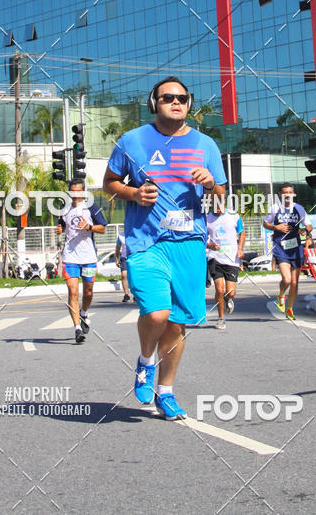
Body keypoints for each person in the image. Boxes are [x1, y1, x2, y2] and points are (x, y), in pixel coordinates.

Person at [103, 76, 226, 420]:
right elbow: (108, 184)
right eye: (168, 97)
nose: (176, 102)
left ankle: (166, 391)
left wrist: (212, 184)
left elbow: (221, 203)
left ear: (189, 103)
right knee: (157, 313)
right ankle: (145, 362)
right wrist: (134, 193)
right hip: (146, 242)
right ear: (153, 103)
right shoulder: (132, 141)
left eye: (182, 98)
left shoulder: (206, 145)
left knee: (176, 324)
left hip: (189, 243)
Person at [56, 179, 107, 343]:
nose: (75, 196)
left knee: (88, 291)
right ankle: (77, 328)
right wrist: (59, 229)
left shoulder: (91, 208)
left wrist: (90, 227)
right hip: (70, 257)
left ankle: (84, 312)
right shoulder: (65, 209)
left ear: (84, 192)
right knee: (73, 291)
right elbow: (62, 225)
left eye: (78, 192)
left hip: (89, 257)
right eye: (72, 192)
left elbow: (103, 228)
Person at [263, 184, 312, 320]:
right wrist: (275, 227)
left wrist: (305, 230)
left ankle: (289, 308)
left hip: (296, 249)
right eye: (285, 193)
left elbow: (309, 224)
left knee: (295, 282)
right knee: (287, 279)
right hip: (281, 248)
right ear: (280, 194)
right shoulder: (276, 208)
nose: (288, 195)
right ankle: (281, 294)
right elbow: (265, 223)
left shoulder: (299, 208)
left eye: (290, 192)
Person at [206, 207, 245, 330]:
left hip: (232, 259)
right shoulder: (207, 218)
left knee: (231, 292)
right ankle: (221, 318)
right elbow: (201, 237)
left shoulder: (234, 215)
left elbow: (242, 232)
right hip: (215, 257)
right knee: (220, 289)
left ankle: (229, 299)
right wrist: (210, 245)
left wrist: (240, 249)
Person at [115, 232, 132, 302]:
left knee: (134, 276)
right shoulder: (121, 236)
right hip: (124, 258)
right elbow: (117, 248)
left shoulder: (136, 233)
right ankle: (126, 294)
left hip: (134, 257)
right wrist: (116, 259)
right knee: (124, 275)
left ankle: (136, 295)